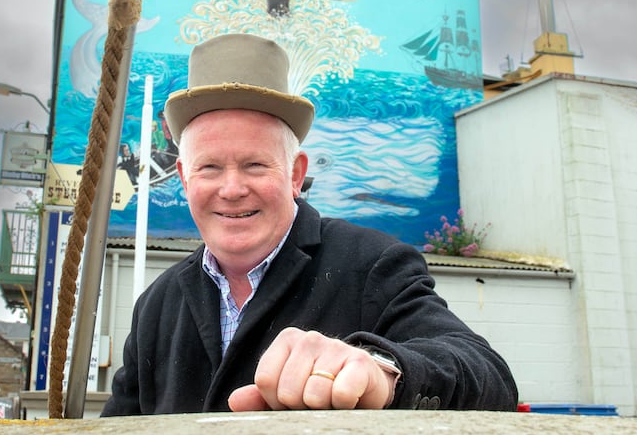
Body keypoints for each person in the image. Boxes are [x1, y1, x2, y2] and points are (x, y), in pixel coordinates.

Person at [101, 33, 517, 415]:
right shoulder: (155, 304)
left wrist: (383, 371)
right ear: (184, 178)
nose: (231, 189)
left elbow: (490, 378)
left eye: (255, 165)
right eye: (209, 168)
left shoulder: (373, 264)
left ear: (296, 175)